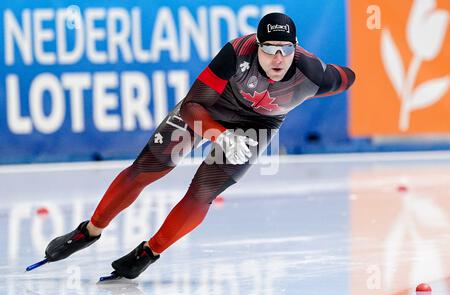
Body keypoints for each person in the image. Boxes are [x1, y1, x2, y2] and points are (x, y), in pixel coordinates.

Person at [43, 12, 355, 279]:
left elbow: (347, 77)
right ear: (257, 46)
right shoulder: (236, 54)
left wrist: (353, 74)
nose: (277, 58)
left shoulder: (313, 75)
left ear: (295, 48)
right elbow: (192, 107)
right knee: (147, 169)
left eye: (285, 50)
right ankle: (90, 231)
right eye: (269, 49)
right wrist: (219, 135)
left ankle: (149, 252)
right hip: (209, 110)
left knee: (203, 192)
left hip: (258, 126)